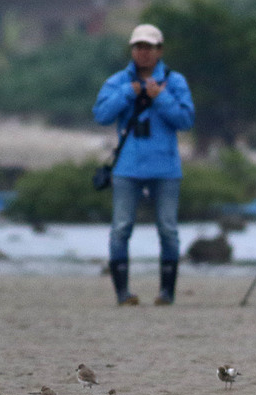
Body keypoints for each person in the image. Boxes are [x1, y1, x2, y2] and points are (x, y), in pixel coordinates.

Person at [93, 24, 195, 306]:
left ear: (160, 50)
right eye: (138, 47)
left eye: (149, 47)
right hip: (127, 167)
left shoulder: (175, 82)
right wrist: (128, 93)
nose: (143, 53)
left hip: (166, 168)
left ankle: (167, 292)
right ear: (131, 50)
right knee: (121, 228)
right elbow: (101, 115)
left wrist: (159, 97)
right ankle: (122, 293)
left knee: (168, 229)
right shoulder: (117, 82)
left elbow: (185, 120)